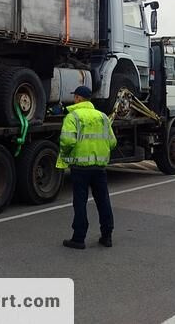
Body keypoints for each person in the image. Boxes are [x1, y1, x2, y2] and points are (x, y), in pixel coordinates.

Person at [57, 85, 117, 249]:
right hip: (99, 167)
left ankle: (79, 239)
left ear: (77, 98)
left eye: (74, 97)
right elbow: (112, 142)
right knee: (103, 201)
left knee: (80, 203)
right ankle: (107, 236)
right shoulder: (103, 117)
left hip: (80, 167)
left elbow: (68, 141)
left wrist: (66, 153)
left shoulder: (73, 116)